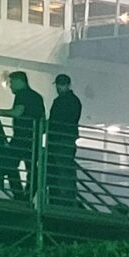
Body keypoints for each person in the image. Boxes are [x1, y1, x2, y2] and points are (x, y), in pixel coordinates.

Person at [5, 70, 46, 199]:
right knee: (32, 169)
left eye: (12, 82)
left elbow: (17, 112)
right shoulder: (37, 97)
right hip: (35, 137)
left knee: (9, 163)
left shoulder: (22, 95)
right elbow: (43, 120)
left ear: (19, 81)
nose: (10, 85)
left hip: (21, 137)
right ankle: (29, 195)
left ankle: (18, 193)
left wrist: (0, 112)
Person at [46, 73, 83, 207]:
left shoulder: (60, 101)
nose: (58, 88)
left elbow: (56, 120)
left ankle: (62, 196)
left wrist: (47, 127)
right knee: (65, 167)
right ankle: (67, 196)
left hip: (59, 139)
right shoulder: (75, 101)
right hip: (67, 139)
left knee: (61, 168)